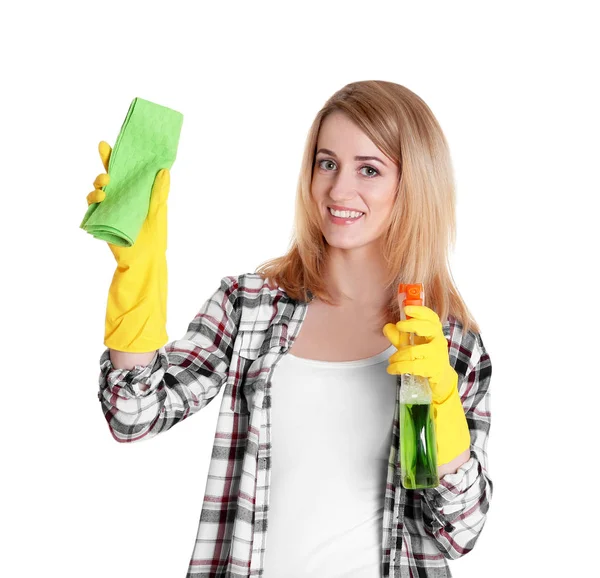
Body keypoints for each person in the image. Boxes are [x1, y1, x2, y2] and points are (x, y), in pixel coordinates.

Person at [89, 80, 492, 578]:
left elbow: (459, 531)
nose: (339, 190)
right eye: (327, 163)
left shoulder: (448, 343)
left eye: (370, 169)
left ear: (414, 185)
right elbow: (133, 414)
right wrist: (139, 277)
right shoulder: (250, 307)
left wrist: (443, 405)